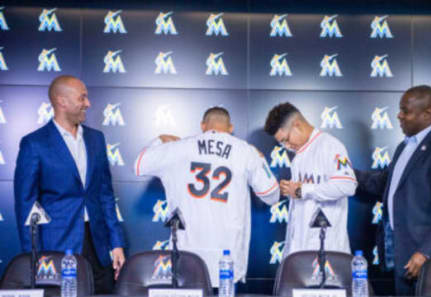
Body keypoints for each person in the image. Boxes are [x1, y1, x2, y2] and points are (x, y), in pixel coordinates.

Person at [134, 106, 280, 287]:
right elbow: (272, 194)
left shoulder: (179, 147)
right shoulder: (244, 151)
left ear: (203, 126)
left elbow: (139, 165)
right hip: (227, 258)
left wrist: (159, 140)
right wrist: (260, 159)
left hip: (187, 257)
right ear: (230, 128)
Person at [14, 75, 126, 293]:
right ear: (61, 101)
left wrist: (116, 243)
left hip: (98, 246)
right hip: (56, 246)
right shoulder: (34, 144)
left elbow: (105, 195)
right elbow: (26, 206)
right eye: (82, 97)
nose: (88, 103)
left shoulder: (96, 139)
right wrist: (33, 256)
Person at [355, 85, 431, 295]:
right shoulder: (404, 146)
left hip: (424, 258)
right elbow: (384, 183)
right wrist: (348, 174)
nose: (399, 116)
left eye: (405, 111)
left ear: (427, 113)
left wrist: (424, 253)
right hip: (398, 252)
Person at [264, 102, 357, 258]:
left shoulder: (331, 146)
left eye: (286, 139)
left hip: (327, 248)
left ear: (297, 125)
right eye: (282, 143)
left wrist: (302, 190)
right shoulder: (299, 155)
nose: (286, 146)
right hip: (300, 250)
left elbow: (348, 185)